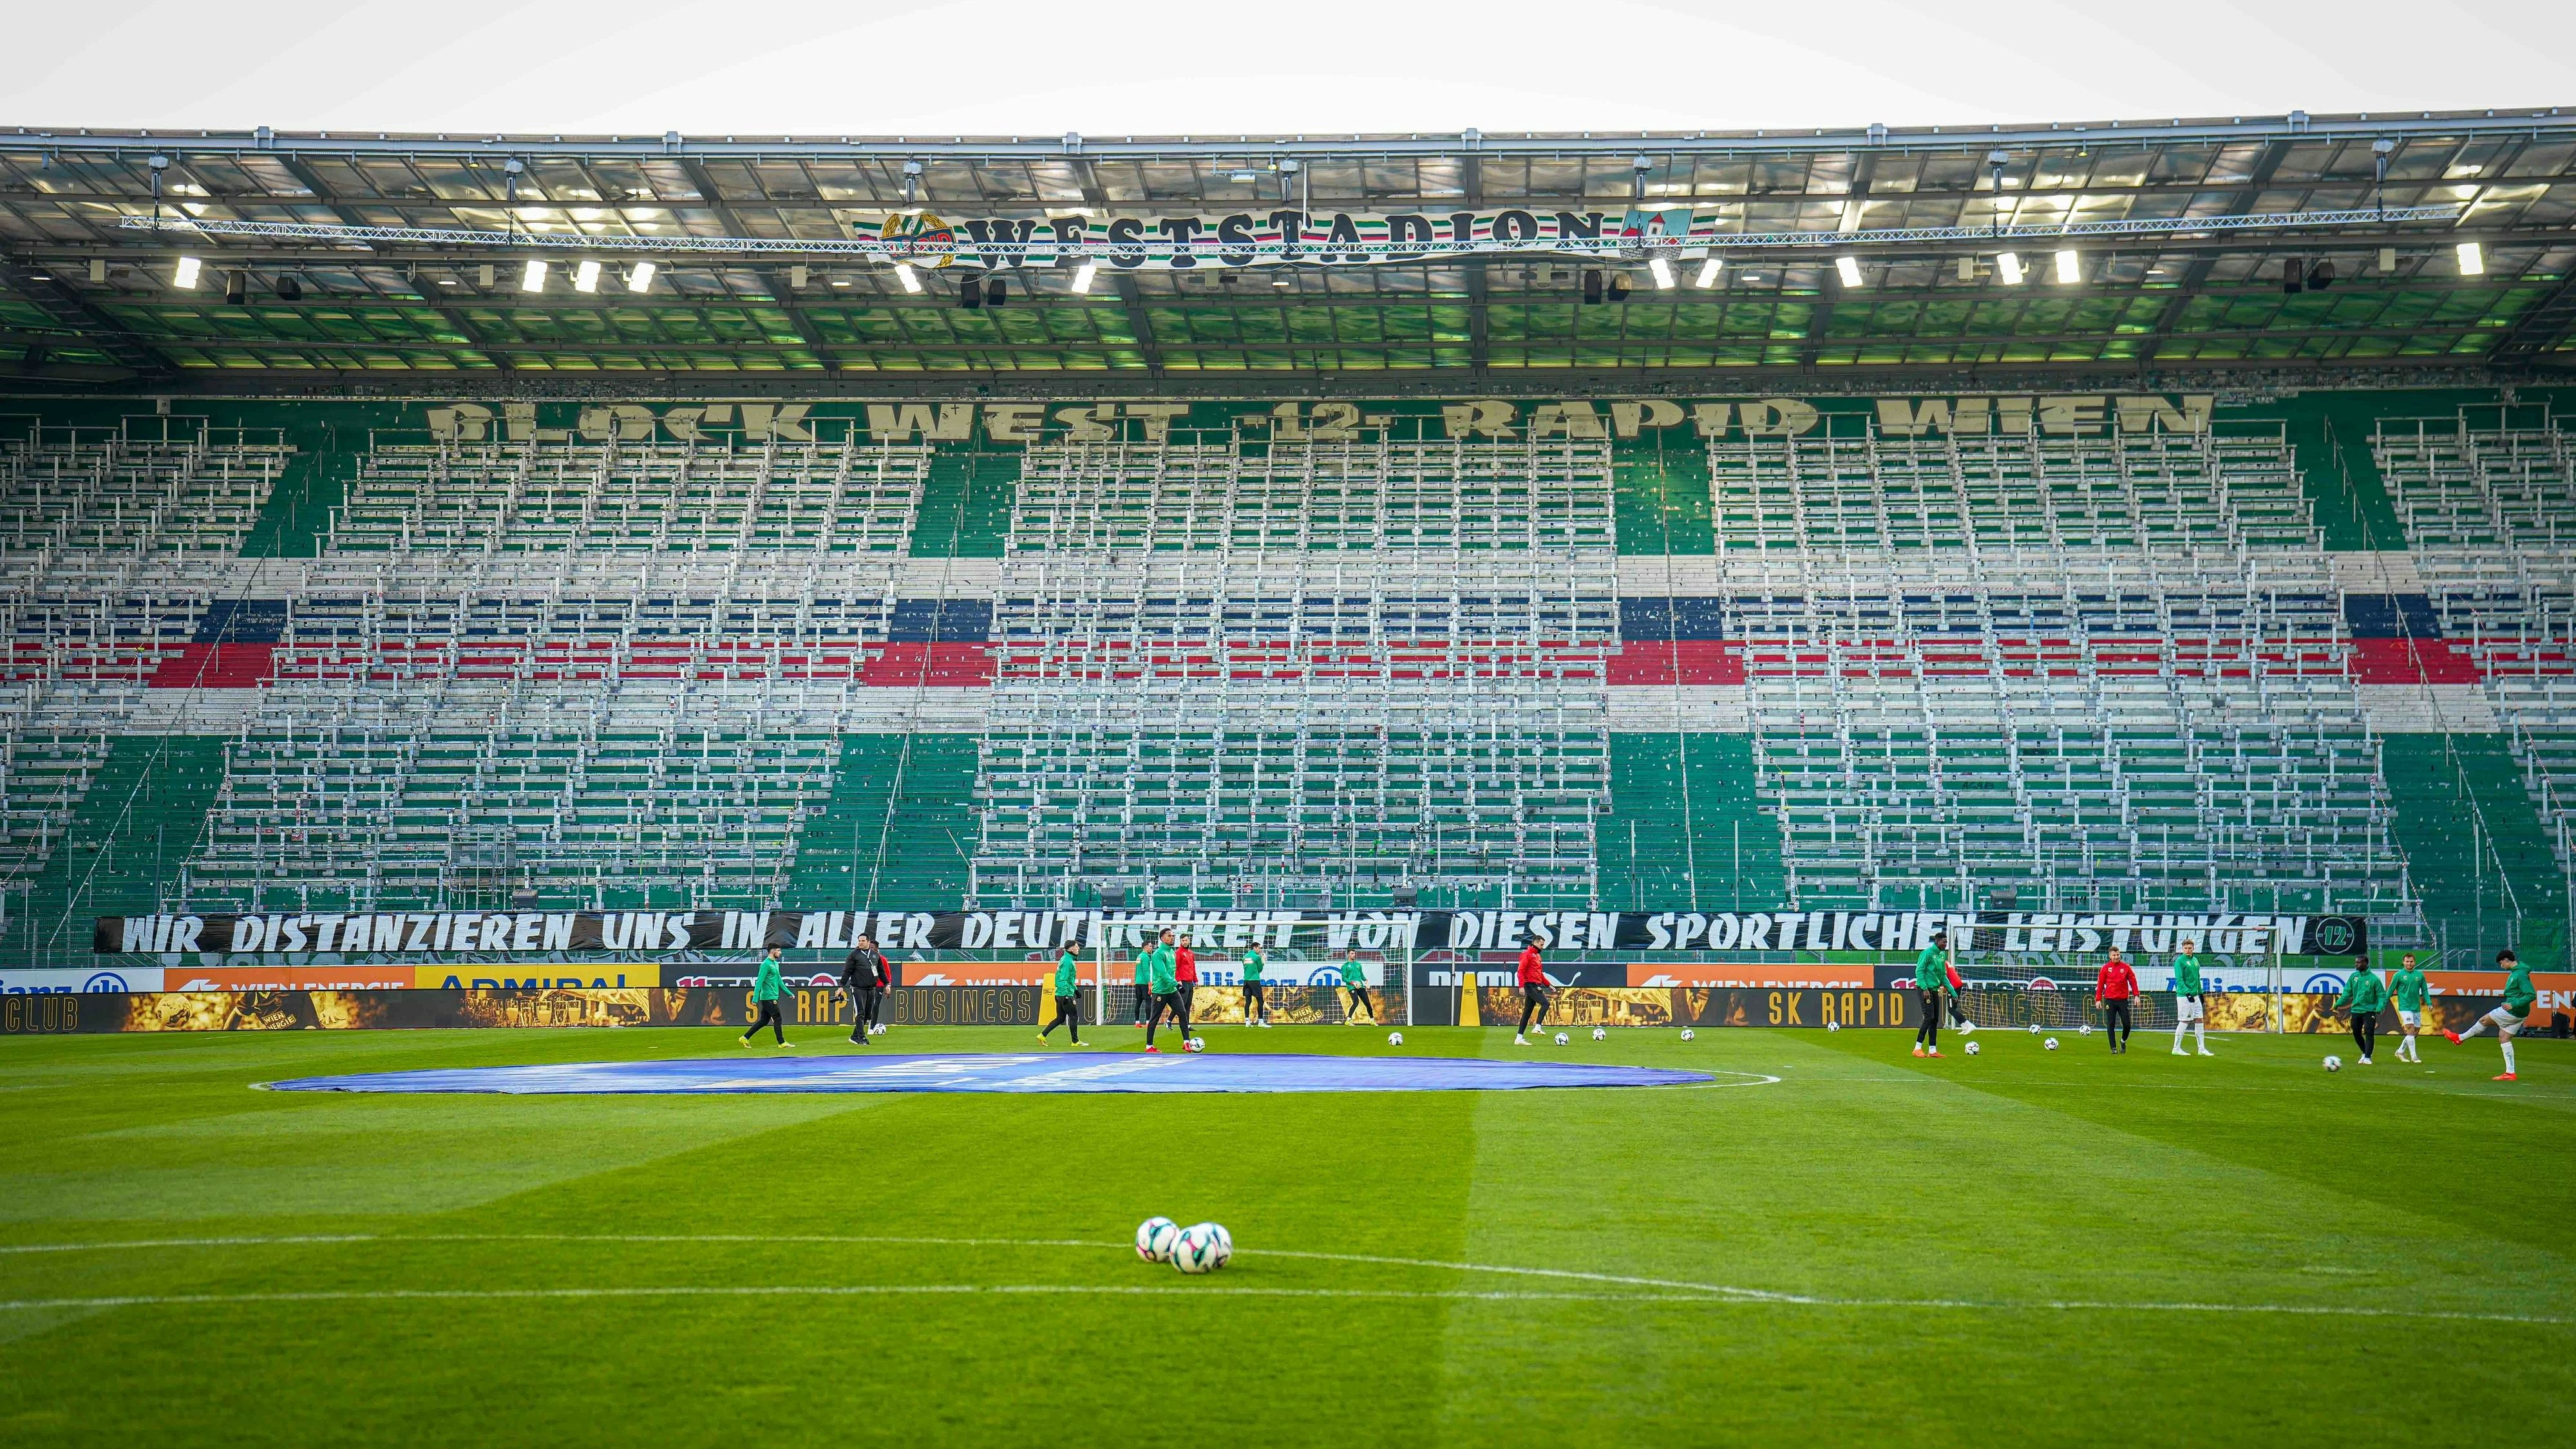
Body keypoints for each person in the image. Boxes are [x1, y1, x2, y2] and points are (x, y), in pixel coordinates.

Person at [2445, 948, 2536, 1081]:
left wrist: (2514, 1003)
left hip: (2513, 1010)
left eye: (2501, 963)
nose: (2501, 966)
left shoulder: (2520, 974)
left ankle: (2460, 1038)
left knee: (2483, 1020)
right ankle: (2510, 1073)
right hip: (2521, 1013)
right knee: (2504, 1038)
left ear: (2506, 960)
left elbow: (2531, 994)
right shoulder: (2517, 972)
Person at [2336, 952, 2387, 1065]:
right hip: (2356, 1010)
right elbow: (2347, 993)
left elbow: (2381, 995)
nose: (2356, 964)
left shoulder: (2374, 979)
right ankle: (2365, 1053)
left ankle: (2368, 1057)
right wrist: (2338, 1003)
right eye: (2356, 962)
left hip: (2369, 1010)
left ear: (2365, 963)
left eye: (2359, 962)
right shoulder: (2353, 977)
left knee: (2369, 1032)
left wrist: (2379, 1007)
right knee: (2356, 1033)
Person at [1141, 929, 1185, 1052]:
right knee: (1155, 1018)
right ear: (1162, 938)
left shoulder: (1172, 952)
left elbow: (1173, 971)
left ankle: (1186, 1043)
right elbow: (1163, 974)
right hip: (1160, 991)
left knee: (1182, 1013)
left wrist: (1176, 982)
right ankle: (1149, 1046)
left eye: (1173, 936)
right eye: (1169, 936)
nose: (1172, 938)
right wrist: (1177, 984)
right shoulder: (1157, 954)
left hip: (1171, 990)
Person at [2170, 937, 2213, 1056]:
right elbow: (2179, 979)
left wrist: (2200, 992)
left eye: (2190, 948)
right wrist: (2187, 993)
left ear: (2193, 948)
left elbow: (2197, 978)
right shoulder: (2180, 961)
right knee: (2185, 1020)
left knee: (2199, 1020)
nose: (2188, 950)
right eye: (2186, 948)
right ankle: (2176, 1048)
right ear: (2182, 949)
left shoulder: (2195, 960)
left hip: (2195, 996)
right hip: (2184, 996)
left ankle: (2201, 1049)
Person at [840, 933, 886, 1046]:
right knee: (860, 1013)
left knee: (867, 1013)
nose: (860, 943)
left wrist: (887, 984)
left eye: (863, 941)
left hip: (871, 988)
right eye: (859, 941)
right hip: (857, 988)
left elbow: (881, 971)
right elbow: (847, 972)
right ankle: (862, 1038)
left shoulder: (875, 955)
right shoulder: (854, 955)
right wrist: (841, 986)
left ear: (868, 942)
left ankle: (854, 1036)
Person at [739, 944, 787, 1048]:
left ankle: (745, 1037)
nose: (780, 952)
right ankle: (781, 1042)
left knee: (764, 1020)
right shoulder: (766, 965)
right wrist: (755, 997)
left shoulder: (775, 964)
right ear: (773, 951)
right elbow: (759, 982)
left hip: (772, 996)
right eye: (779, 951)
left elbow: (779, 980)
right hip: (768, 997)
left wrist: (789, 993)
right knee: (777, 1017)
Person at [1911, 929, 1949, 1058]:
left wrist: (1949, 988)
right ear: (1938, 942)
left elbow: (1943, 974)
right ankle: (1917, 1048)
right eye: (1944, 942)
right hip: (1924, 989)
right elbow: (1919, 971)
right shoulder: (1926, 954)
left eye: (1946, 942)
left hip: (1934, 989)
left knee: (1935, 1020)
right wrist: (1925, 988)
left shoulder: (1942, 955)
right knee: (1928, 1017)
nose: (1946, 944)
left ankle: (1932, 1050)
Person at [2389, 951, 2430, 1064]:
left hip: (2415, 1007)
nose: (2409, 963)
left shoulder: (2419, 975)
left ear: (2414, 962)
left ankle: (2400, 1051)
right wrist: (2383, 1003)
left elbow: (2425, 990)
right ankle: (2414, 1056)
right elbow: (2391, 990)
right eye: (2407, 961)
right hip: (2404, 1007)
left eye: (2411, 961)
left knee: (2415, 1032)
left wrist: (2429, 1003)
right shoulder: (2398, 975)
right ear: (2403, 962)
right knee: (2410, 1028)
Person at [1039, 943, 1083, 1046]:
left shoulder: (1065, 958)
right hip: (1065, 993)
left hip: (1060, 993)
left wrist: (1075, 989)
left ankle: (1042, 1035)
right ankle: (1075, 1041)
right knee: (1073, 1017)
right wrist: (1065, 995)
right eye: (1077, 947)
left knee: (1060, 1018)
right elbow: (1063, 979)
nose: (1078, 949)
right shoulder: (1068, 962)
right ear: (1072, 949)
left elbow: (1068, 979)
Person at [2095, 949, 2137, 1053]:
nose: (2116, 957)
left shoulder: (2126, 967)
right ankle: (2113, 1048)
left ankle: (2123, 1041)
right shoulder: (2105, 968)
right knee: (2111, 1024)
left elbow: (2133, 981)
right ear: (2110, 956)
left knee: (2127, 1024)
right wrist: (2098, 999)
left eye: (2118, 955)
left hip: (2123, 1000)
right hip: (2110, 1000)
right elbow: (2100, 984)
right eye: (2114, 955)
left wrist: (2136, 995)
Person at [1514, 938, 1551, 1046]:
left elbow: (1540, 974)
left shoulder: (1538, 956)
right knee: (1545, 1003)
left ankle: (1519, 1038)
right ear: (1535, 943)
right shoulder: (1527, 954)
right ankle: (1538, 1026)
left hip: (1535, 985)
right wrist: (1521, 986)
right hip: (1530, 985)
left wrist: (1549, 985)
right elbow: (1520, 971)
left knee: (1527, 1013)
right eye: (1541, 945)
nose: (1542, 947)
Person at [1173, 933, 1199, 1039]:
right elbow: (1176, 967)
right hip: (1182, 982)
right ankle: (1170, 1021)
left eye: (1186, 940)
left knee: (1188, 1005)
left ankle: (1187, 1025)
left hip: (1190, 982)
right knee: (1182, 1004)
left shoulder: (1191, 953)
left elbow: (1193, 967)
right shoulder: (1178, 953)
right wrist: (1178, 980)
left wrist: (1195, 980)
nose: (1185, 942)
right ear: (1180, 942)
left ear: (1189, 941)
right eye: (1183, 940)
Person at [1341, 952, 1375, 1025]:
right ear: (1348, 955)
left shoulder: (1358, 965)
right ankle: (1348, 1020)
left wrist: (1366, 980)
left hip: (1360, 986)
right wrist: (1352, 983)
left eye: (1355, 953)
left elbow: (1361, 975)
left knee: (1367, 1003)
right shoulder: (1345, 966)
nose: (1354, 955)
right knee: (1356, 1002)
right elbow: (1344, 978)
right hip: (1352, 986)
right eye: (1352, 953)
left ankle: (1372, 1020)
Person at [1242, 943, 1269, 1028]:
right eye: (1258, 948)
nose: (1260, 950)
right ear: (1254, 948)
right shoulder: (1257, 957)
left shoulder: (1244, 957)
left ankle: (1247, 1022)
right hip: (1255, 981)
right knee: (1260, 1001)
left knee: (1248, 1002)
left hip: (1246, 982)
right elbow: (1260, 970)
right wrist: (1263, 962)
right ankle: (1261, 1022)